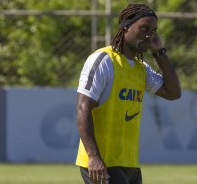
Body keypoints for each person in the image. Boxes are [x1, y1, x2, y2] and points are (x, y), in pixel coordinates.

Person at [75, 3, 181, 184]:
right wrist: (93, 157)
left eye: (154, 30)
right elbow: (83, 107)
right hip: (103, 162)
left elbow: (173, 93)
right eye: (144, 28)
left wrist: (160, 52)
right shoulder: (104, 61)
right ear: (125, 27)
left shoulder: (141, 69)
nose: (150, 34)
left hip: (129, 163)